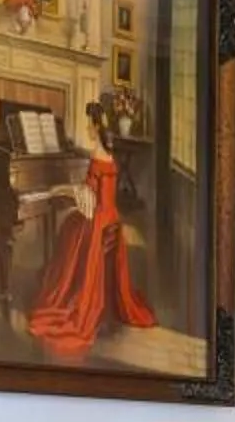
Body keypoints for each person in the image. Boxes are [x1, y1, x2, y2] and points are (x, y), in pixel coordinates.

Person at [25, 106, 156, 358]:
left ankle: (62, 289)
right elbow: (99, 194)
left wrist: (59, 189)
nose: (86, 128)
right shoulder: (109, 154)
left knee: (67, 230)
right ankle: (59, 281)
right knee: (71, 225)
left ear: (96, 128)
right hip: (112, 219)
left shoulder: (96, 154)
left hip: (97, 221)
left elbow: (87, 195)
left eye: (89, 124)